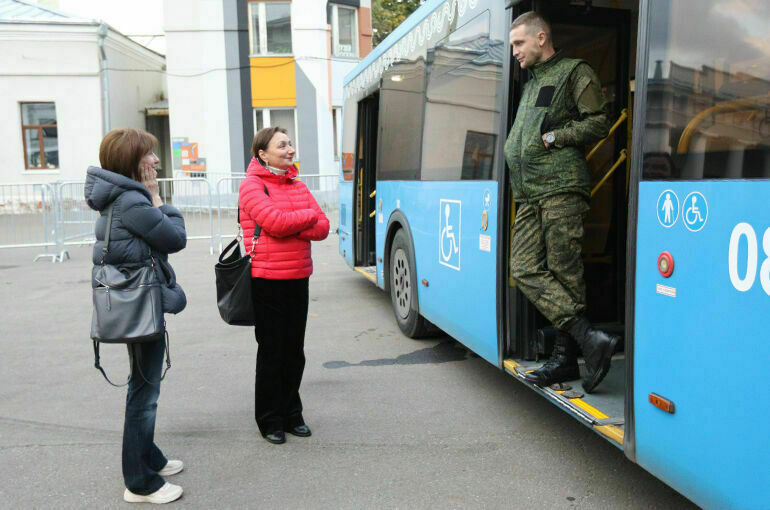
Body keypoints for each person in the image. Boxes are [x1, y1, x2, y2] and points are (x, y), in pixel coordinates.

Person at [505, 12, 618, 393]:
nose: (515, 52)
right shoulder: (532, 83)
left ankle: (565, 358)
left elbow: (599, 121)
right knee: (523, 267)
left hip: (561, 188)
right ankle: (588, 339)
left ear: (540, 37)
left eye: (519, 44)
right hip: (529, 192)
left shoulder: (574, 71)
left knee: (565, 273)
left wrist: (556, 138)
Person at [85, 128, 187, 504]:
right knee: (144, 394)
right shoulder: (132, 202)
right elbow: (175, 239)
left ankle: (150, 457)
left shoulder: (118, 198)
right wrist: (159, 198)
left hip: (135, 303)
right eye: (150, 155)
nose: (157, 161)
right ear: (133, 161)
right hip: (141, 306)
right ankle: (139, 482)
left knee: (142, 385)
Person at [239, 126, 330, 444]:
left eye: (290, 143)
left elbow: (323, 227)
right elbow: (275, 223)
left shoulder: (297, 185)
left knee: (294, 352)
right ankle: (269, 418)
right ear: (262, 153)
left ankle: (292, 413)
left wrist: (296, 221)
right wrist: (306, 217)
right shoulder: (251, 186)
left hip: (298, 276)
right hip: (267, 279)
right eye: (282, 145)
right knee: (272, 351)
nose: (290, 149)